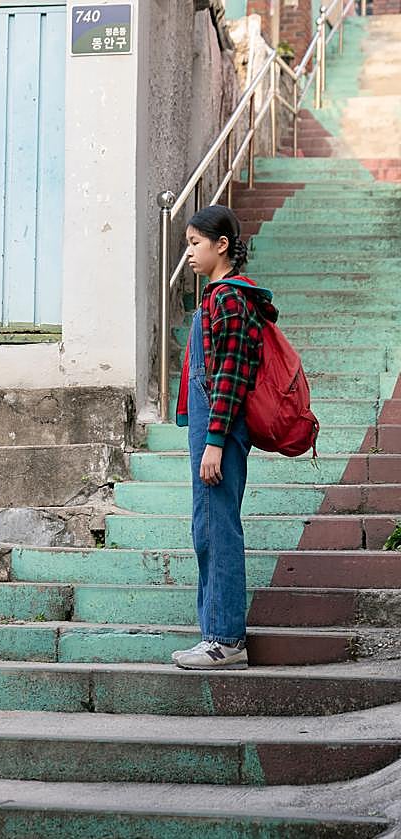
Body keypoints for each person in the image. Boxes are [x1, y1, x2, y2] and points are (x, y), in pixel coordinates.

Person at [171, 205, 276, 671]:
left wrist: (214, 439)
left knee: (218, 529)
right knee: (207, 530)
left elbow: (232, 375)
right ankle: (214, 634)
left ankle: (225, 639)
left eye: (195, 243)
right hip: (213, 428)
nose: (189, 253)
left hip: (222, 429)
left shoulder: (230, 300)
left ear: (222, 245)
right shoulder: (216, 297)